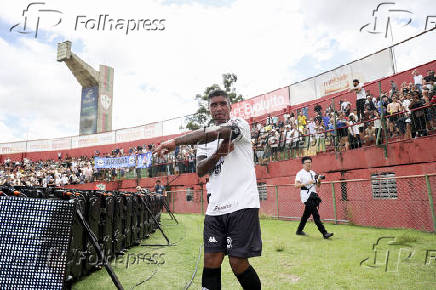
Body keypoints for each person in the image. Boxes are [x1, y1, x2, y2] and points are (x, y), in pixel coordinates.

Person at [154, 89, 262, 290]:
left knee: (237, 263)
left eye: (223, 104)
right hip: (215, 208)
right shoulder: (203, 142)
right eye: (214, 105)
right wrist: (219, 154)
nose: (219, 108)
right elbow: (200, 170)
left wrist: (175, 142)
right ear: (210, 110)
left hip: (242, 204)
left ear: (230, 106)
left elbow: (216, 133)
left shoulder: (240, 125)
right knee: (211, 260)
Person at [294, 156, 333, 239]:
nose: (309, 164)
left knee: (306, 215)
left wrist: (318, 180)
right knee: (315, 214)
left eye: (310, 163)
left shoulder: (313, 173)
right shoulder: (300, 173)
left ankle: (299, 230)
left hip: (314, 195)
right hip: (306, 197)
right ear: (303, 164)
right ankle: (324, 233)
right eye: (307, 163)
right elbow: (296, 185)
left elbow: (318, 185)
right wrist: (308, 182)